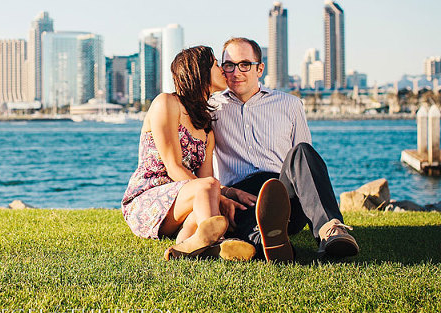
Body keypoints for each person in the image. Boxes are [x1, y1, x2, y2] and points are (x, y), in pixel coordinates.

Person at [211, 37, 359, 262]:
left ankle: (330, 230)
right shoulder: (211, 108)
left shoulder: (290, 104)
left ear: (259, 68)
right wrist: (222, 194)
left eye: (245, 64)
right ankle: (269, 244)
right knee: (250, 224)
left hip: (283, 194)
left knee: (303, 151)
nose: (236, 72)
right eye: (229, 65)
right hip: (240, 200)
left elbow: (305, 166)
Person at [122, 45, 256, 261]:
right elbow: (174, 167)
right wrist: (225, 194)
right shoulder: (167, 103)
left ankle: (187, 246)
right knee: (211, 188)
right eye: (215, 64)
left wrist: (224, 195)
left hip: (179, 208)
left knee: (208, 195)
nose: (222, 69)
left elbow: (204, 181)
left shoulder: (206, 128)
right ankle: (218, 241)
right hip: (147, 202)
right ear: (199, 71)